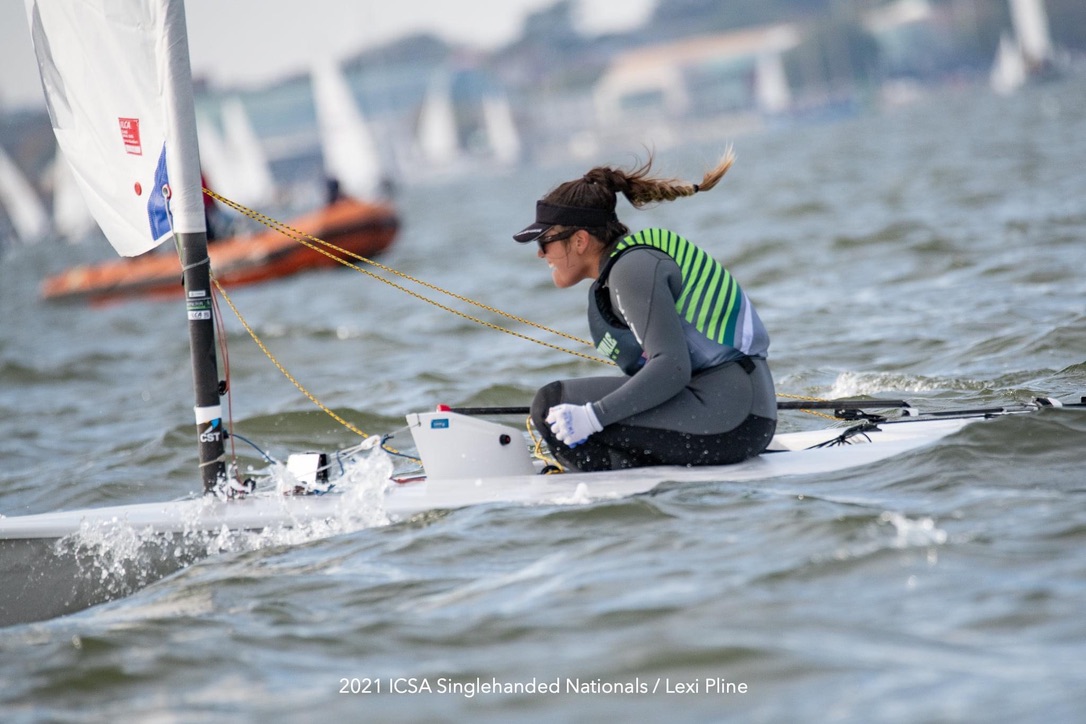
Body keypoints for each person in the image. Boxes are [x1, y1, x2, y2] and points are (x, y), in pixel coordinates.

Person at [512, 150, 777, 472]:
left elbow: (672, 368)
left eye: (546, 241)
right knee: (566, 409)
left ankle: (604, 488)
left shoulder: (633, 269)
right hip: (736, 414)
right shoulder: (626, 267)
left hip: (732, 420)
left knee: (551, 403)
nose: (541, 253)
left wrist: (593, 416)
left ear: (580, 240)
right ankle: (614, 470)